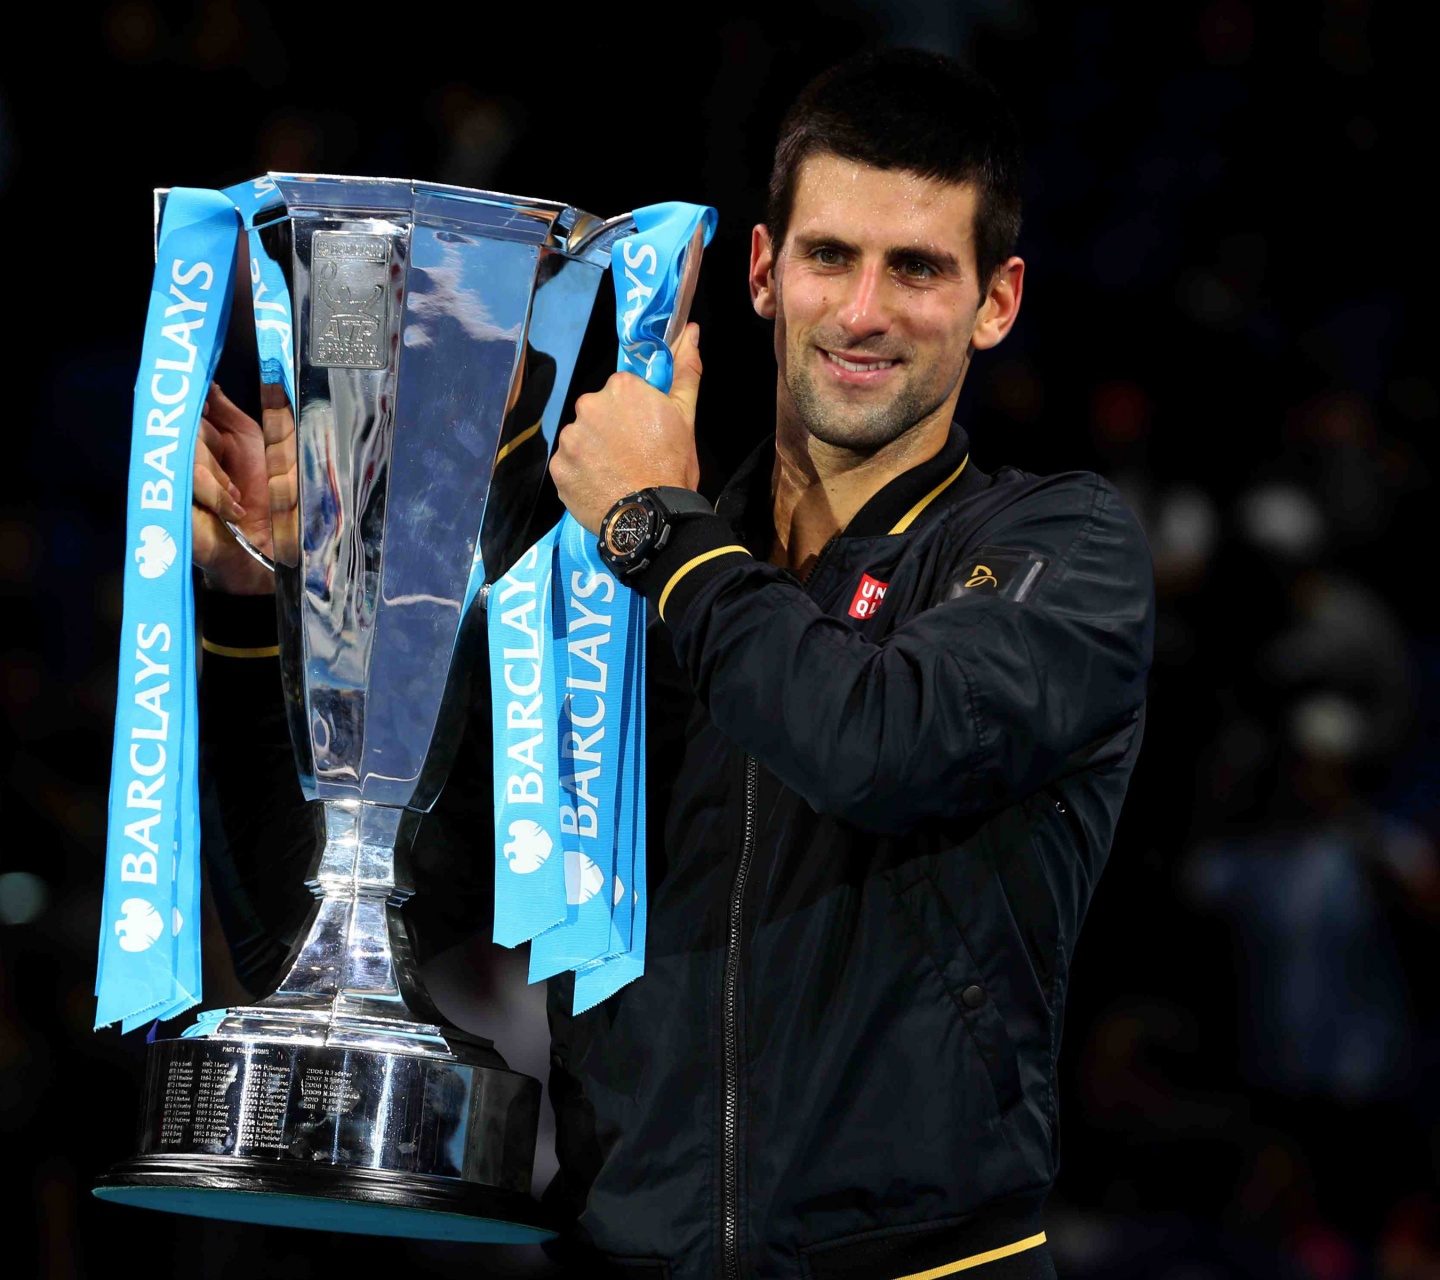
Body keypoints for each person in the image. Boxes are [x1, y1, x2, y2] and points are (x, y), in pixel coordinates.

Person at [193, 49, 1153, 1280]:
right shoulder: (607, 595)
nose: (864, 311)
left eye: (917, 267)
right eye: (830, 256)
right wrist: (262, 608)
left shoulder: (1056, 548)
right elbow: (328, 931)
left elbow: (877, 743)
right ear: (763, 270)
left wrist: (659, 527)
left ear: (997, 302)